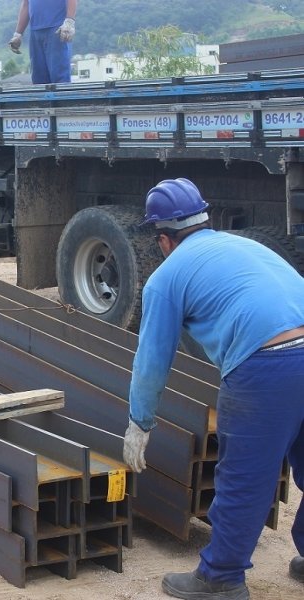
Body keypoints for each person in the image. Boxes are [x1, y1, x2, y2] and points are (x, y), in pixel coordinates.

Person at [122, 178, 304, 599]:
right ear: (204, 219)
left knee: (244, 478)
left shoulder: (167, 277)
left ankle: (220, 578)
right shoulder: (245, 246)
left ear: (163, 239)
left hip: (268, 363)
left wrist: (139, 422)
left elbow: (152, 361)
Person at [8, 0, 77, 84]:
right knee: (38, 79)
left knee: (60, 79)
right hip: (35, 32)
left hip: (57, 29)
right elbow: (26, 4)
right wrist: (18, 34)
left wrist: (69, 21)